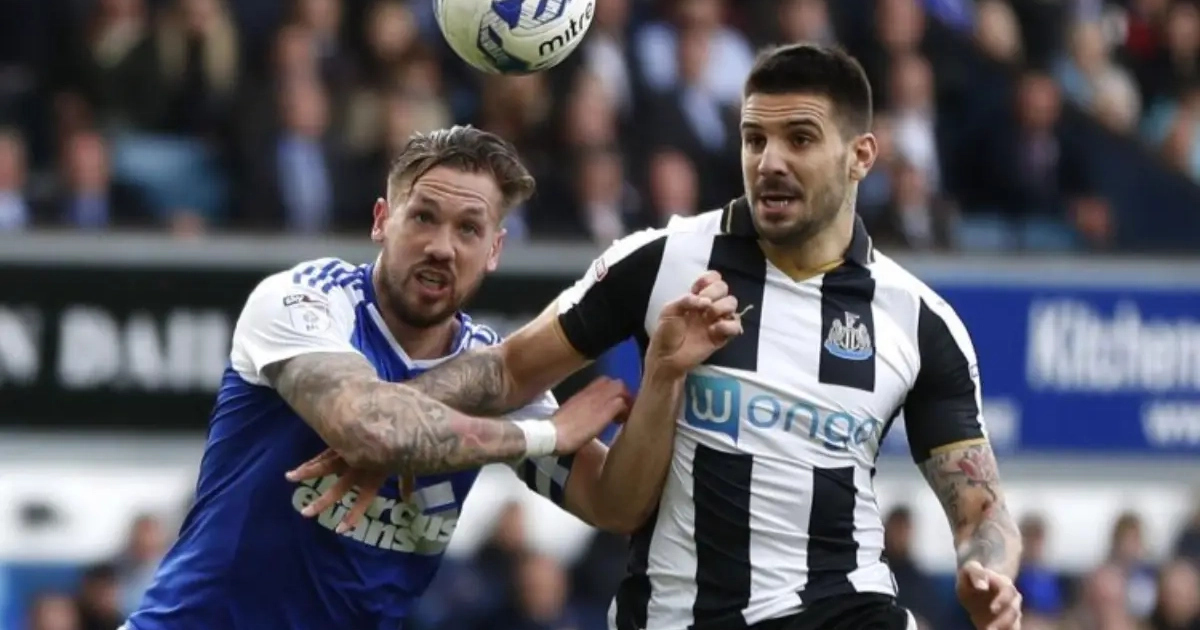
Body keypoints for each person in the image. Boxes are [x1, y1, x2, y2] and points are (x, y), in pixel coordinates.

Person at [293, 44, 1025, 630]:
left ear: (861, 156)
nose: (769, 160)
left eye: (800, 139)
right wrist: (390, 420)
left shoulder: (917, 320)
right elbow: (510, 371)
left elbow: (980, 507)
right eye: (754, 138)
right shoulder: (664, 260)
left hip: (848, 608)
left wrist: (987, 568)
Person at [121, 126, 743, 630]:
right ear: (381, 220)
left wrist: (663, 375)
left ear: (494, 251)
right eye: (423, 217)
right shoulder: (305, 301)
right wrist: (544, 436)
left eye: (468, 229)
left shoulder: (489, 368)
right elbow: (371, 428)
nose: (443, 246)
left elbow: (616, 504)